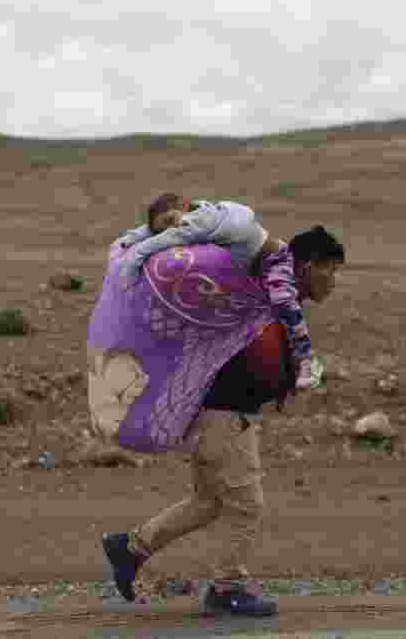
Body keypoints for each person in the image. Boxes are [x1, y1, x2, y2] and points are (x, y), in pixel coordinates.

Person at [101, 224, 345, 617]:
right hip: (226, 418)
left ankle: (130, 547)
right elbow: (250, 361)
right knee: (246, 505)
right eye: (331, 270)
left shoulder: (272, 303)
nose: (334, 280)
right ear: (308, 266)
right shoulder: (269, 302)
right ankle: (226, 587)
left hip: (215, 415)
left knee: (209, 501)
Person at [115, 193, 320, 391]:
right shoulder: (197, 214)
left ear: (185, 205)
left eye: (171, 220)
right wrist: (129, 239)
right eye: (165, 227)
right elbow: (161, 232)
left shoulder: (204, 219)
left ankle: (307, 359)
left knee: (283, 300)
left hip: (275, 260)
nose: (172, 228)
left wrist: (134, 257)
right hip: (247, 272)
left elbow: (169, 236)